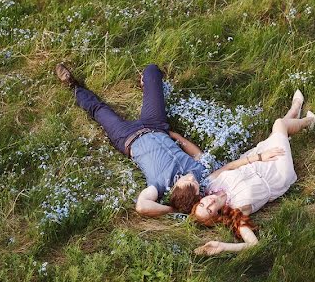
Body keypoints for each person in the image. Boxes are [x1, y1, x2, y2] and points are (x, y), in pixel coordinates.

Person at [55, 62, 206, 215]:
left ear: (176, 189)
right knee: (152, 71)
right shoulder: (196, 172)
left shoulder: (159, 185)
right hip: (156, 125)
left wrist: (172, 210)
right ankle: (145, 84)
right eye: (195, 183)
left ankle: (73, 86)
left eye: (189, 182)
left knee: (99, 110)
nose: (192, 179)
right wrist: (177, 136)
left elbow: (141, 206)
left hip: (127, 136)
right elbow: (198, 155)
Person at [191, 89, 315, 255]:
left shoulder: (210, 185)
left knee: (277, 134)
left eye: (202, 203)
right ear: (216, 215)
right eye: (209, 210)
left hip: (255, 161)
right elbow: (253, 244)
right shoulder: (237, 210)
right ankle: (309, 120)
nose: (209, 202)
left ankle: (294, 111)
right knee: (279, 125)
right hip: (276, 174)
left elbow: (229, 166)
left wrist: (258, 157)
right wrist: (223, 247)